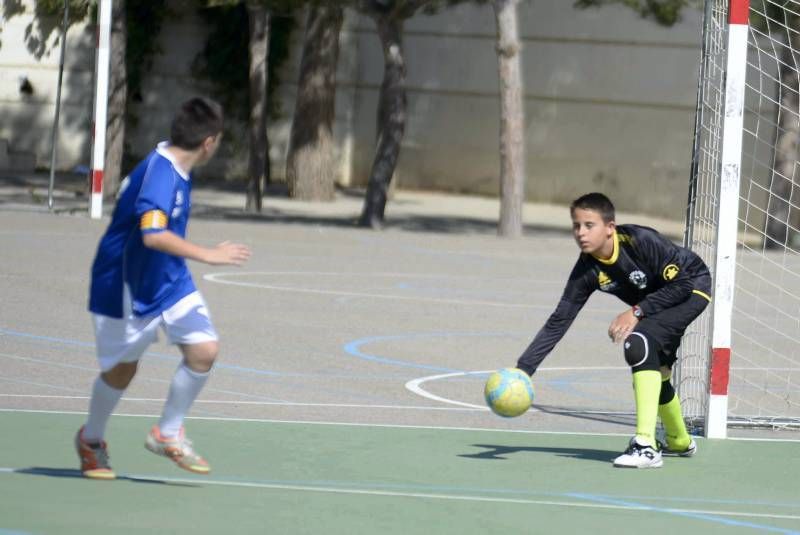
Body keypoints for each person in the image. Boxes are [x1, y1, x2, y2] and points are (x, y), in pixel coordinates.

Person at [76, 96, 251, 479]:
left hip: (167, 278)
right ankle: (91, 440)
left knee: (204, 350)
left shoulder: (178, 166)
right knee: (122, 371)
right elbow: (153, 235)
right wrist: (208, 254)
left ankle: (167, 433)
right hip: (123, 285)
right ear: (209, 143)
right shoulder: (160, 175)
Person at [515, 192, 711, 469]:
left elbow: (680, 285)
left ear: (610, 228)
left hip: (692, 286)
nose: (581, 233)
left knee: (638, 343)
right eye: (576, 225)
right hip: (657, 301)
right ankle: (679, 441)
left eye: (589, 225)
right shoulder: (587, 270)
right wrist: (524, 369)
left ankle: (645, 446)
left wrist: (636, 311)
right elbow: (560, 319)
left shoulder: (640, 241)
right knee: (658, 370)